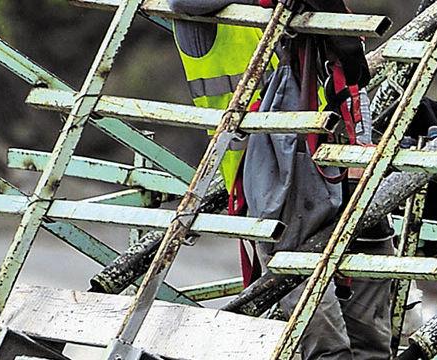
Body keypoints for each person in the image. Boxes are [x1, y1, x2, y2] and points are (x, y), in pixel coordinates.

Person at [164, 1, 393, 358]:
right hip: (269, 184)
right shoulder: (205, 16)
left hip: (332, 164)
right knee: (324, 336)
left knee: (371, 327)